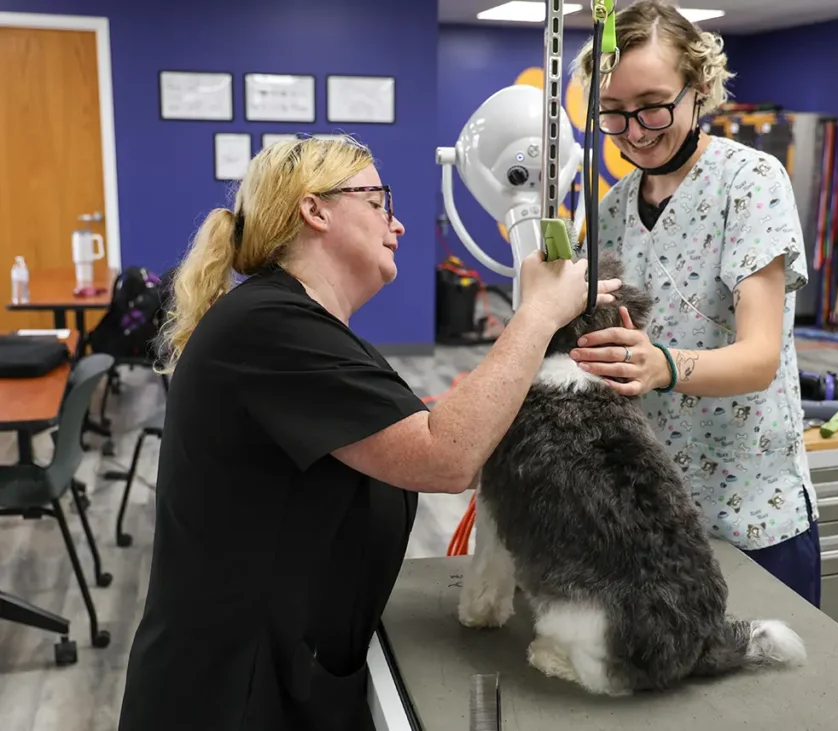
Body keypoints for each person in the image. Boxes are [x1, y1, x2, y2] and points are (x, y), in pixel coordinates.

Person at [117, 135, 621, 731]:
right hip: (232, 695)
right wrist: (539, 313)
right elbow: (445, 456)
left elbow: (444, 439)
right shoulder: (267, 329)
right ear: (315, 210)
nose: (399, 224)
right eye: (379, 201)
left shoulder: (301, 328)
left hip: (285, 669)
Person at [568, 0, 822, 607]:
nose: (635, 131)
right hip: (649, 511)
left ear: (699, 87)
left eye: (654, 105)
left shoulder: (752, 183)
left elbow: (759, 358)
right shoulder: (611, 210)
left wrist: (663, 366)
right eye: (614, 114)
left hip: (751, 508)